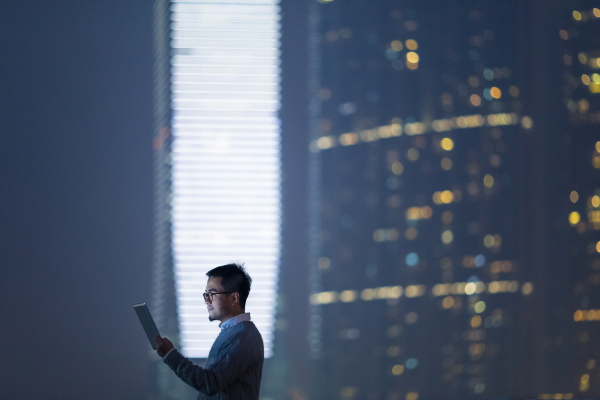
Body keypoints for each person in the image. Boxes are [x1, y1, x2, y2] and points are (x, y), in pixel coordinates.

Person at [154, 263, 264, 400]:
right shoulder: (235, 332)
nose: (207, 300)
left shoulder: (243, 335)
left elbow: (210, 383)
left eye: (211, 294)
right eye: (206, 294)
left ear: (234, 298)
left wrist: (170, 354)